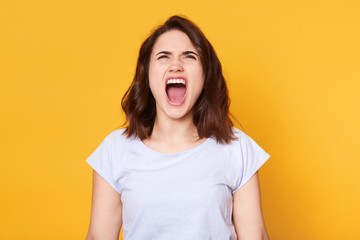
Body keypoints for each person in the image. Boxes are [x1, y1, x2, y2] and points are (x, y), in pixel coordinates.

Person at [85, 15, 270, 240]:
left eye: (189, 57)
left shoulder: (237, 148)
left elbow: (255, 235)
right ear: (147, 73)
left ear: (205, 74)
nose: (176, 66)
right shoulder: (114, 150)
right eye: (163, 56)